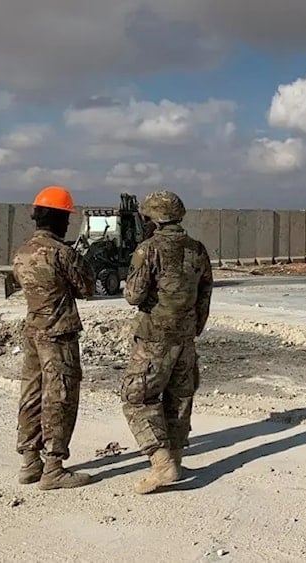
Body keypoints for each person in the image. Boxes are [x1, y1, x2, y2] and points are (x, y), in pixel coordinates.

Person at [121, 190, 213, 494]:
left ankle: (161, 463)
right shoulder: (198, 250)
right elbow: (204, 297)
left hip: (154, 338)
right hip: (185, 338)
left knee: (138, 398)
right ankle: (175, 458)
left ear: (152, 218)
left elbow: (133, 295)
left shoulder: (148, 250)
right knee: (179, 398)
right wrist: (192, 329)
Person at [12, 185, 96, 490]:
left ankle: (29, 462)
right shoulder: (62, 253)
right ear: (61, 220)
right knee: (59, 395)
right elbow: (87, 288)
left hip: (33, 329)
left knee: (32, 392)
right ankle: (54, 468)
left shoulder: (21, 253)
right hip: (58, 333)